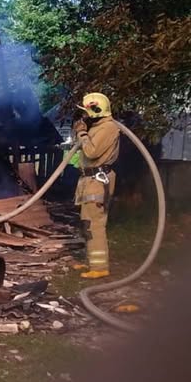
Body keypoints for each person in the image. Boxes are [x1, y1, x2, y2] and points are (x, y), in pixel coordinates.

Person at [73, 92, 120, 279]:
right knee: (88, 224)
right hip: (90, 180)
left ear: (95, 110)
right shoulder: (98, 127)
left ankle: (100, 268)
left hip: (97, 181)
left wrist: (82, 132)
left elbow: (91, 152)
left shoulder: (108, 128)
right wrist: (81, 132)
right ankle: (92, 262)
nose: (84, 115)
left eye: (86, 111)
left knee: (95, 226)